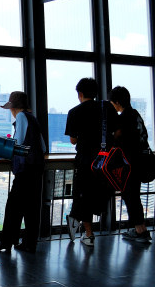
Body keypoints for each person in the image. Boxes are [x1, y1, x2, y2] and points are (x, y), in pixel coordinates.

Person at [65, 78, 120, 246]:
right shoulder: (107, 108)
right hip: (106, 161)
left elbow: (73, 140)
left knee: (82, 196)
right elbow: (117, 132)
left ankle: (89, 234)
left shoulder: (74, 112)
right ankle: (94, 230)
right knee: (101, 194)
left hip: (85, 161)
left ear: (80, 94)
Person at [0, 91, 45, 253]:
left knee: (13, 206)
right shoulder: (33, 119)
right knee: (31, 208)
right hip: (36, 168)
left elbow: (18, 143)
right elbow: (43, 147)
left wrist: (3, 151)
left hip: (25, 170)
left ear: (13, 108)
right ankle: (29, 243)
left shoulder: (21, 117)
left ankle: (6, 241)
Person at [109, 86, 152, 243]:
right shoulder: (135, 114)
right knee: (134, 195)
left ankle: (140, 231)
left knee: (130, 195)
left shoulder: (124, 117)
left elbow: (117, 137)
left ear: (117, 102)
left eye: (112, 102)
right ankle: (140, 229)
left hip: (131, 163)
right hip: (142, 161)